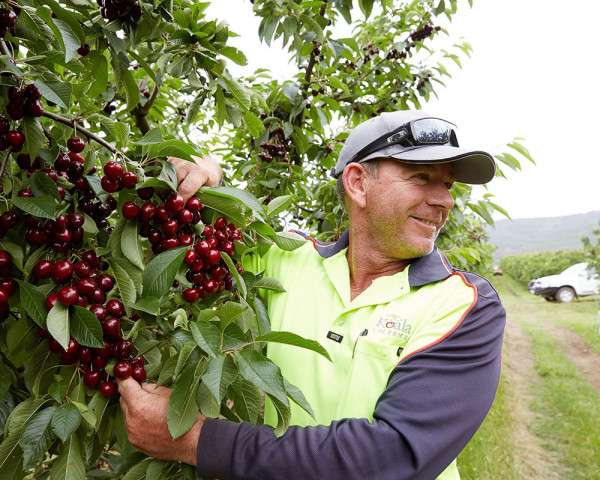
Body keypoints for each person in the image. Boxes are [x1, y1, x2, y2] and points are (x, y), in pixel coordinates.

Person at [118, 110, 506, 480]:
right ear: (357, 183)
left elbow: (390, 459)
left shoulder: (466, 305)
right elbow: (193, 231)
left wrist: (198, 441)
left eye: (448, 184)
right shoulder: (285, 258)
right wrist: (200, 177)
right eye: (422, 177)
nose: (445, 200)